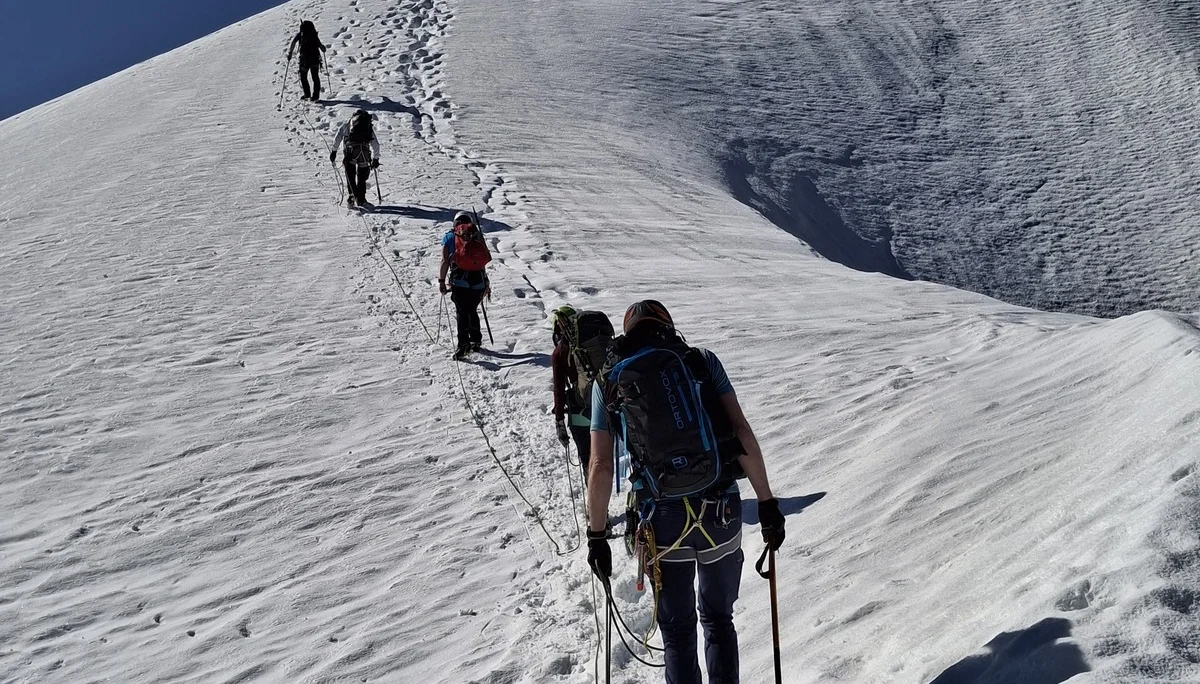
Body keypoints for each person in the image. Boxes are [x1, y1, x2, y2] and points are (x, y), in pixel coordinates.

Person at [586, 300, 786, 684]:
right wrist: (767, 503)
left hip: (661, 521)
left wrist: (597, 537)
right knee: (718, 619)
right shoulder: (700, 361)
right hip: (720, 510)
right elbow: (741, 434)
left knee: (678, 632)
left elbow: (600, 466)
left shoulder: (608, 381)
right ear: (667, 326)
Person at [551, 306, 611, 476]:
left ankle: (593, 494)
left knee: (588, 458)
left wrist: (559, 421)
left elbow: (559, 390)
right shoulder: (597, 343)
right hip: (608, 404)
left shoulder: (559, 352)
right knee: (606, 455)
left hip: (581, 412)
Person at [439, 212, 491, 359]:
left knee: (462, 312)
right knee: (472, 309)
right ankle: (475, 339)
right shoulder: (477, 236)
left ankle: (463, 345)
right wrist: (486, 282)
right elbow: (482, 261)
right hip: (479, 280)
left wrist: (441, 281)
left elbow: (444, 261)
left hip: (460, 280)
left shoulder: (449, 237)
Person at [330, 110, 381, 209]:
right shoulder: (368, 128)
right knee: (362, 177)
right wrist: (376, 158)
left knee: (350, 175)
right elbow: (376, 144)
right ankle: (361, 199)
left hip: (350, 152)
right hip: (364, 152)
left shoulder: (347, 125)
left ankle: (352, 196)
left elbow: (337, 138)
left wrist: (334, 151)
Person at [287, 20, 327, 101]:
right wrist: (323, 48)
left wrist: (290, 53)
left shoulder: (301, 35)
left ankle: (307, 93)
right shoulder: (314, 34)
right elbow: (320, 45)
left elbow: (293, 42)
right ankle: (315, 95)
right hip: (315, 58)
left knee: (303, 76)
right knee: (315, 77)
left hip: (304, 59)